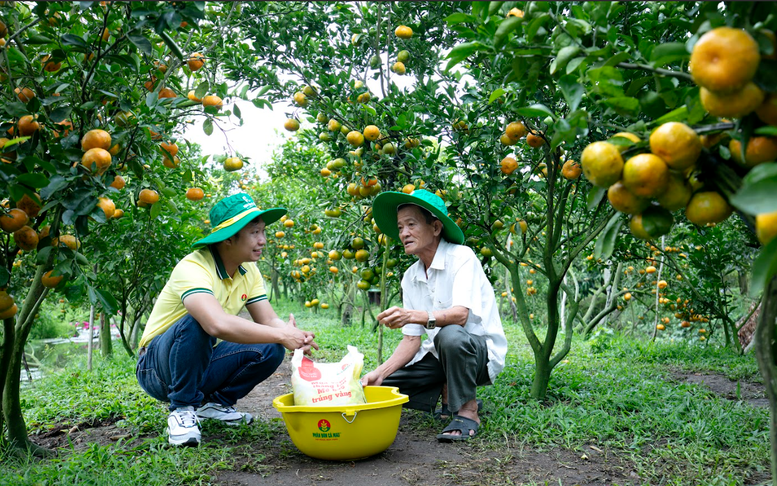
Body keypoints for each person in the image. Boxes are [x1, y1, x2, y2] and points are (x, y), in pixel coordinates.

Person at [136, 192, 317, 446]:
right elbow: (215, 324)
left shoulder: (249, 271)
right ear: (230, 237)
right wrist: (281, 334)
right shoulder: (194, 267)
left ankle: (214, 404)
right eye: (255, 232)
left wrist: (292, 334)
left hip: (200, 361)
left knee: (271, 347)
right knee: (197, 322)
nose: (263, 240)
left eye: (263, 231)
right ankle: (182, 410)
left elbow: (268, 321)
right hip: (156, 368)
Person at [361, 189, 507, 442]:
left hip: (476, 353)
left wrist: (413, 315)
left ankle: (468, 411)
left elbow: (460, 316)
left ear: (436, 227)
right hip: (436, 357)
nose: (404, 233)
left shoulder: (462, 257)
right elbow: (411, 341)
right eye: (400, 227)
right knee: (378, 389)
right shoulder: (410, 276)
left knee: (450, 335)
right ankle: (446, 389)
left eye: (411, 224)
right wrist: (381, 372)